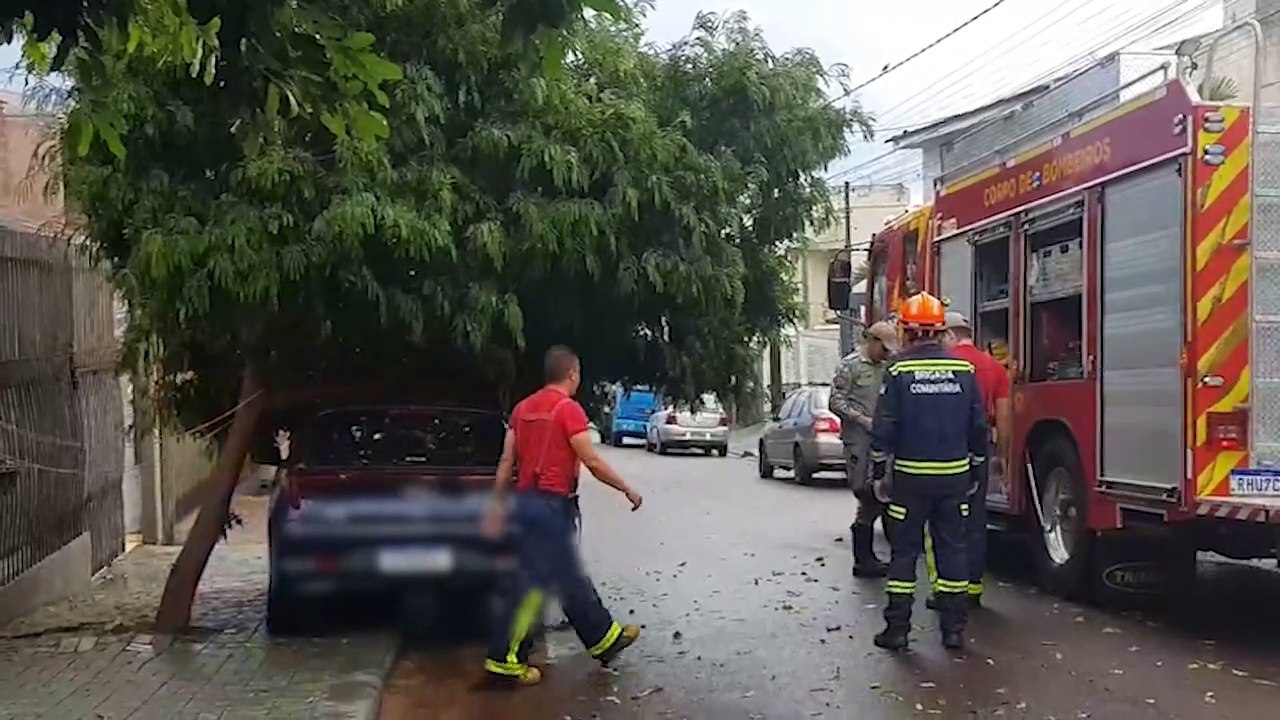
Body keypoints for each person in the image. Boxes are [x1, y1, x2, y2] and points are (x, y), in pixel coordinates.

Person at [481, 345, 643, 687]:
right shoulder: (568, 410)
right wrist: (626, 488)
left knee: (567, 577)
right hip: (552, 507)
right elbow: (592, 461)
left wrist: (496, 505)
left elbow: (507, 461)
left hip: (526, 503)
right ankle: (505, 660)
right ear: (572, 374)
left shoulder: (522, 409)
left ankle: (605, 638)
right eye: (578, 374)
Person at [868, 293, 988, 652]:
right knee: (952, 550)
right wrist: (977, 467)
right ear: (939, 331)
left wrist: (879, 470)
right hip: (954, 479)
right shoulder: (964, 371)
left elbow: (885, 427)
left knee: (905, 552)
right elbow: (977, 426)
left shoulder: (899, 372)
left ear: (907, 331)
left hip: (910, 479)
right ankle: (953, 630)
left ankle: (897, 629)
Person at [925, 311, 1011, 609]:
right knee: (975, 519)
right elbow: (1004, 418)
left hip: (945, 450)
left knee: (942, 521)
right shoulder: (995, 368)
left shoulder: (945, 365)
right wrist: (1002, 457)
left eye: (940, 337)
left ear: (950, 335)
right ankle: (973, 588)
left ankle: (944, 589)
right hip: (980, 449)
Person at [829, 320, 899, 577]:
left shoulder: (889, 366)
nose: (886, 354)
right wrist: (862, 419)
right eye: (884, 348)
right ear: (871, 341)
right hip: (859, 441)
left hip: (884, 440)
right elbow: (836, 402)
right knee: (866, 493)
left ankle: (887, 555)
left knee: (887, 493)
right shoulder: (850, 366)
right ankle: (863, 558)